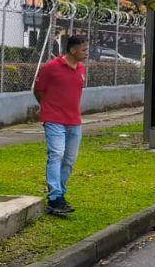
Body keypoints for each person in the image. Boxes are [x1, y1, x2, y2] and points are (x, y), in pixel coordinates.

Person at [34, 35, 89, 215]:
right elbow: (39, 91)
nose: (86, 53)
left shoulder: (81, 68)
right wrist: (47, 109)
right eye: (83, 49)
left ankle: (60, 194)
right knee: (56, 154)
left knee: (69, 160)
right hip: (54, 119)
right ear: (73, 50)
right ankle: (55, 197)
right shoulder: (51, 68)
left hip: (74, 121)